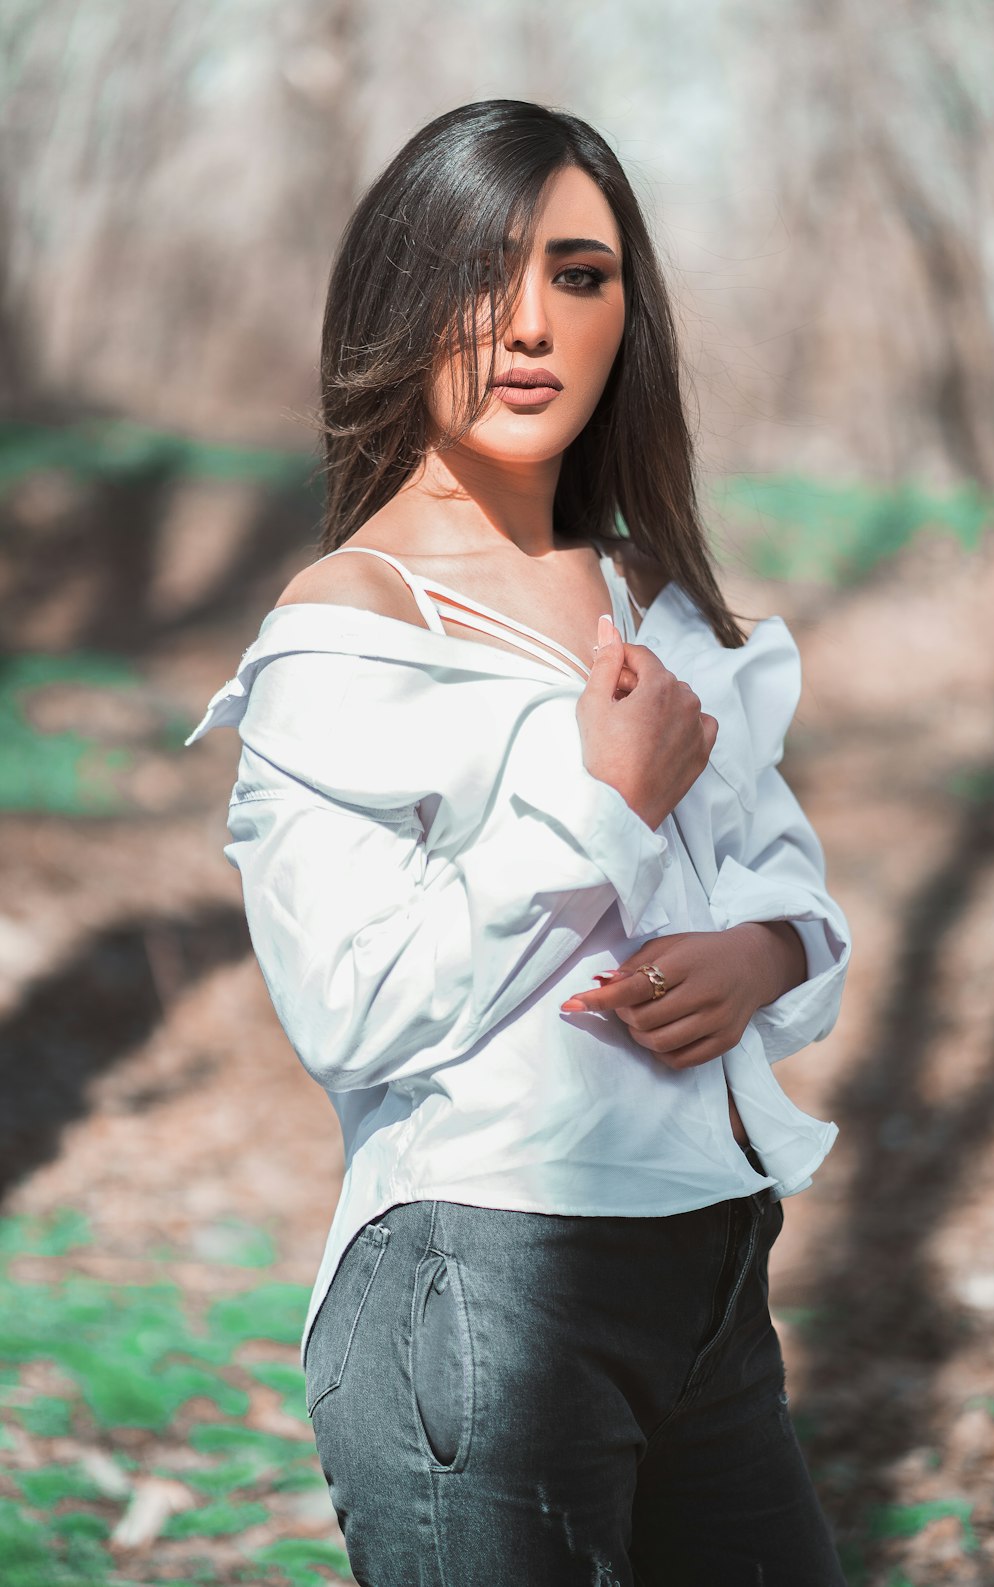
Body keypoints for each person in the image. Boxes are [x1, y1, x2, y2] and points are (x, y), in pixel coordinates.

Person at [185, 99, 852, 1587]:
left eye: (581, 273)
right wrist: (600, 805)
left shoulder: (654, 596)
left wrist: (760, 954)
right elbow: (347, 1009)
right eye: (484, 271)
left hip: (714, 1285)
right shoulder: (343, 632)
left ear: (630, 317)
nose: (533, 322)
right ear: (399, 304)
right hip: (477, 1291)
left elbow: (801, 906)